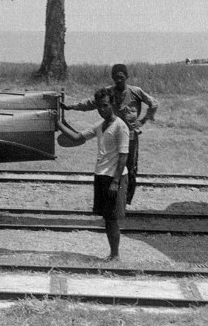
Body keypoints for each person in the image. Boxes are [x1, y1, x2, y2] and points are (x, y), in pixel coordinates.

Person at [63, 63, 157, 205]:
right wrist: (71, 107)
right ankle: (114, 198)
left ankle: (125, 200)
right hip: (111, 135)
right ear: (112, 78)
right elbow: (91, 103)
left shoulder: (136, 91)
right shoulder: (108, 92)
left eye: (121, 77)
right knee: (111, 167)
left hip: (130, 136)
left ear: (127, 77)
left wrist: (142, 120)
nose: (118, 80)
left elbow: (154, 103)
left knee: (130, 168)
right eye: (115, 77)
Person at [55, 92, 129, 261]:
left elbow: (124, 156)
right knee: (107, 218)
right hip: (102, 175)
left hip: (113, 178)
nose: (102, 109)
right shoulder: (100, 125)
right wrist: (58, 123)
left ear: (113, 104)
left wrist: (115, 182)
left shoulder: (120, 126)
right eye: (99, 106)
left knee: (112, 219)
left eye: (105, 105)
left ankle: (115, 255)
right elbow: (77, 137)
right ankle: (113, 254)